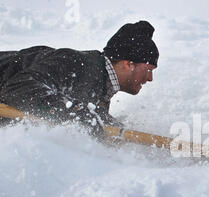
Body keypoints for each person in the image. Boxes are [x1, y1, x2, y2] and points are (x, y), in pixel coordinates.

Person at [0, 20, 159, 137]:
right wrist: (76, 113)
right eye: (149, 70)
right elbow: (20, 87)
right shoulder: (76, 63)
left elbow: (93, 119)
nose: (150, 78)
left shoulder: (100, 83)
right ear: (128, 64)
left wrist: (123, 136)